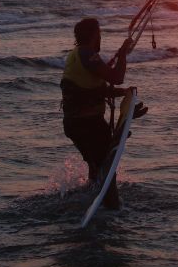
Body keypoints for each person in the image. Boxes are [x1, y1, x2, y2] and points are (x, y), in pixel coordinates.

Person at [61, 18, 146, 209]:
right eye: (99, 33)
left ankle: (92, 199)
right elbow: (117, 77)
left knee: (96, 165)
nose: (100, 37)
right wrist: (123, 53)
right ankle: (112, 208)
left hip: (74, 124)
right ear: (94, 35)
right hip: (88, 125)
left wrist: (123, 94)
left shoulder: (76, 55)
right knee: (107, 170)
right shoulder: (86, 53)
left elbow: (91, 91)